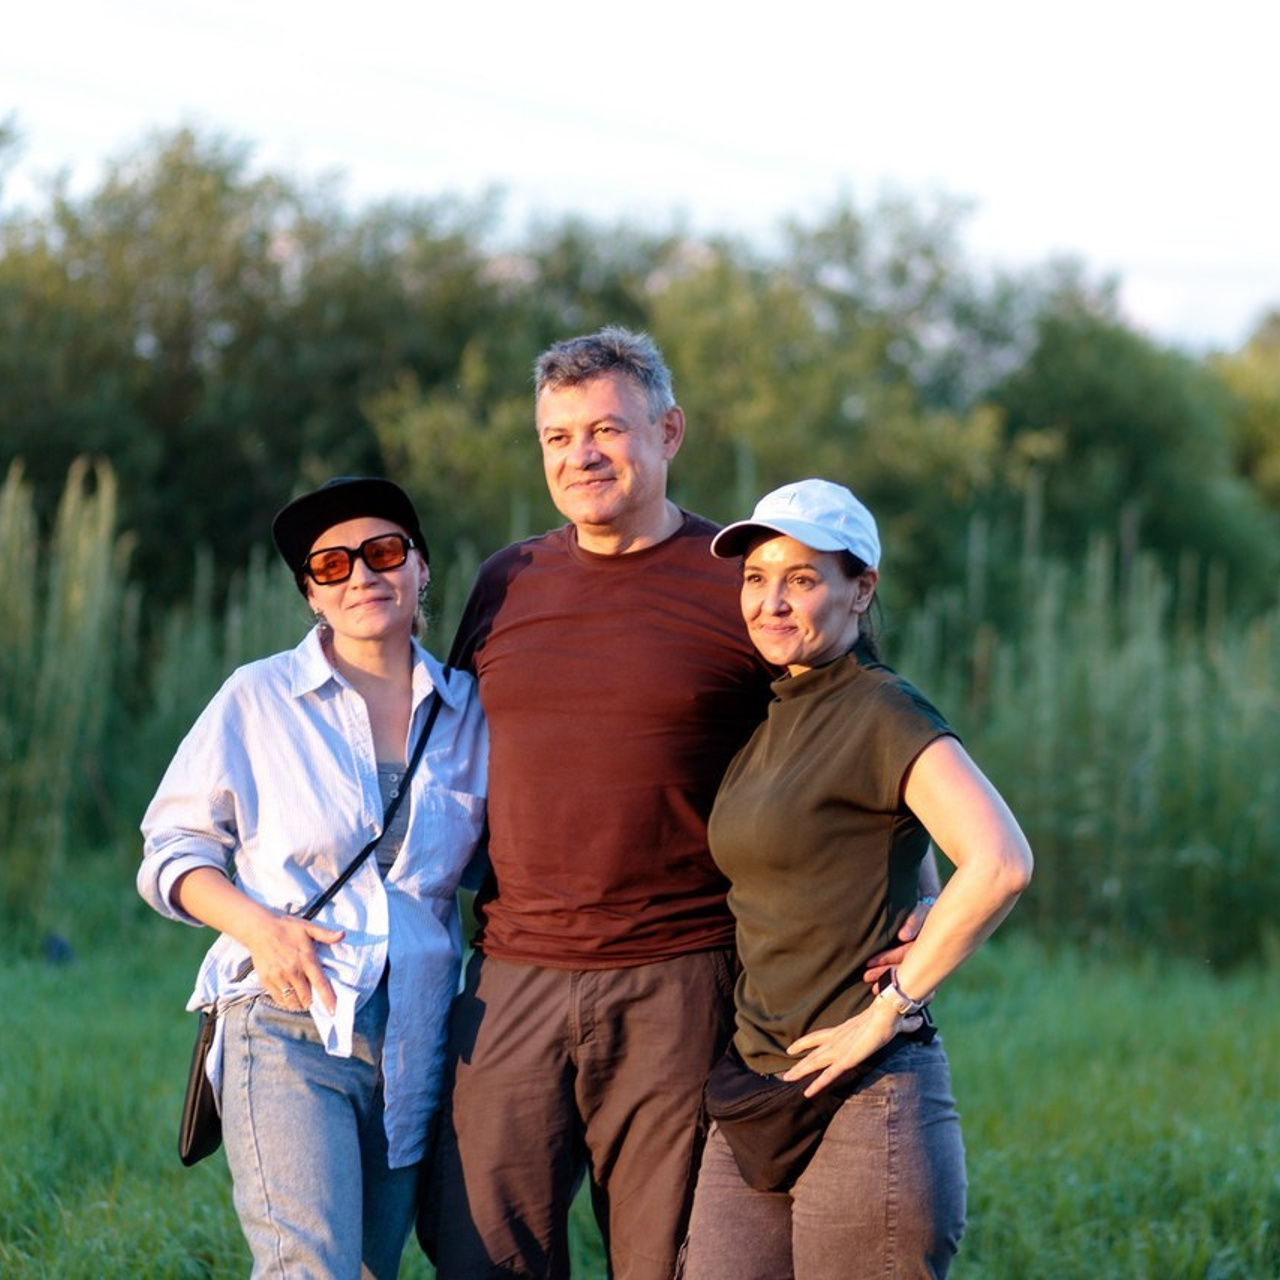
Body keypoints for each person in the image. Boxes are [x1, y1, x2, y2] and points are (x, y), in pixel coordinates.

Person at [425, 329, 936, 1280]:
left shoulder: (740, 579)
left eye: (607, 429)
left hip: (680, 976)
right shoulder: (507, 581)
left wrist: (924, 886)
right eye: (556, 436)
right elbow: (446, 757)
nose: (581, 455)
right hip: (510, 975)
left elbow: (854, 732)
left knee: (661, 1260)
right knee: (478, 1254)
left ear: (669, 431)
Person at [681, 478, 1034, 1279]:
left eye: (802, 579)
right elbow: (892, 835)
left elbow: (1004, 861)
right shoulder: (775, 713)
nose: (771, 602)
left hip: (864, 1096)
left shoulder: (882, 709)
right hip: (756, 1088)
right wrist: (927, 889)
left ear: (860, 589)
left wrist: (890, 1011)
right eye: (756, 578)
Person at [138, 476, 487, 1278]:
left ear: (421, 569)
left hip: (417, 1036)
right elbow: (172, 849)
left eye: (384, 552)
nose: (362, 575)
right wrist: (259, 930)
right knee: (311, 1268)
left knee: (369, 1268)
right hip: (289, 1016)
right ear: (312, 594)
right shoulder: (259, 698)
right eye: (332, 566)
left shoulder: (470, 710)